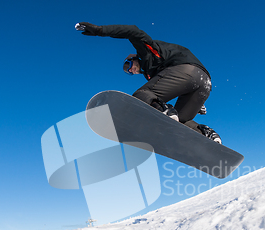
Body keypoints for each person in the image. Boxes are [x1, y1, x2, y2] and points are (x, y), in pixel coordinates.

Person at [76, 22, 222, 144]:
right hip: (204, 83)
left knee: (141, 95)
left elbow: (132, 31)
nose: (131, 70)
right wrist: (198, 104)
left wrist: (100, 31)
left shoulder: (146, 53)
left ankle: (163, 112)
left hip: (185, 69)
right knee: (182, 122)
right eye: (128, 72)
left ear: (134, 58)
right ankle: (207, 135)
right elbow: (182, 83)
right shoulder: (155, 72)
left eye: (129, 65)